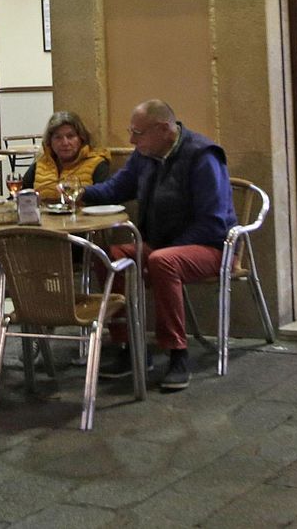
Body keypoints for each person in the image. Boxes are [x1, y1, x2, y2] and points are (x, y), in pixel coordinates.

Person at [78, 100, 236, 391]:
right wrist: (80, 193)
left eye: (137, 133)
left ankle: (178, 354)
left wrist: (164, 250)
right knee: (105, 257)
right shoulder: (146, 155)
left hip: (212, 247)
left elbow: (213, 221)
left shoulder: (202, 155)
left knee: (163, 261)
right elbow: (116, 189)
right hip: (160, 246)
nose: (131, 140)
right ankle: (128, 346)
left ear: (164, 129)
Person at [18, 111, 111, 201]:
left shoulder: (97, 164)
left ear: (81, 138)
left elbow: (105, 201)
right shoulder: (40, 164)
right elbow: (21, 196)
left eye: (70, 136)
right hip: (44, 216)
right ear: (50, 141)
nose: (65, 143)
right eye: (58, 137)